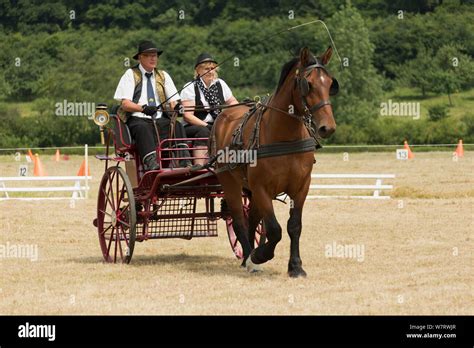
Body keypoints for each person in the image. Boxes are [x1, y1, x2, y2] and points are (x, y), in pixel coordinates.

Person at [114, 40, 189, 170]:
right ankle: (151, 164)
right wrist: (142, 108)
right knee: (142, 127)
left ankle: (185, 162)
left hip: (160, 119)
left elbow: (173, 102)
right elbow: (125, 104)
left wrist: (178, 108)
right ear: (140, 57)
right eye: (149, 55)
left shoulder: (163, 75)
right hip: (137, 118)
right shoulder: (131, 74)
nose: (153, 58)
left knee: (176, 125)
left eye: (155, 55)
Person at [181, 53, 238, 165]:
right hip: (193, 126)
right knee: (204, 131)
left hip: (216, 124)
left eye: (213, 68)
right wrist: (207, 125)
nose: (211, 71)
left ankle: (230, 164)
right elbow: (187, 116)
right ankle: (200, 166)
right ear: (198, 71)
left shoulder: (220, 84)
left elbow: (233, 102)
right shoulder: (190, 87)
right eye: (207, 69)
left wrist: (232, 115)